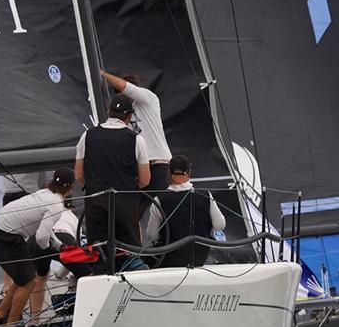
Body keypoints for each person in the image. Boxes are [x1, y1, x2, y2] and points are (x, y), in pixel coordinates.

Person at [0, 169, 75, 327]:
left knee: (22, 278)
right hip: (5, 236)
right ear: (71, 188)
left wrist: (58, 245)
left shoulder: (46, 193)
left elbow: (47, 231)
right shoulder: (56, 205)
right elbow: (41, 238)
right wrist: (48, 249)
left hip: (1, 230)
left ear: (53, 181)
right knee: (29, 281)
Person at [74, 94, 150, 270]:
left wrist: (95, 187)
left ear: (108, 112)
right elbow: (145, 180)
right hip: (124, 205)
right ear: (129, 116)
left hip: (95, 204)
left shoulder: (87, 136)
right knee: (129, 256)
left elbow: (78, 175)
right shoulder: (136, 140)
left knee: (99, 256)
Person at [100, 70, 171, 217]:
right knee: (130, 212)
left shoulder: (148, 98)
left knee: (131, 211)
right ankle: (130, 239)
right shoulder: (121, 115)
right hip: (139, 168)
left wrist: (101, 74)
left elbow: (123, 85)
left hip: (157, 166)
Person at [146, 155, 226, 267]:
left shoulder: (159, 199)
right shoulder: (205, 195)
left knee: (144, 258)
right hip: (200, 257)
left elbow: (152, 235)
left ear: (169, 173)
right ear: (189, 172)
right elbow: (220, 225)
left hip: (171, 259)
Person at [27, 200, 91, 326]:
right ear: (71, 206)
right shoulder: (72, 217)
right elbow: (70, 261)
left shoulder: (46, 211)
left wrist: (58, 276)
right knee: (88, 276)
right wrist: (60, 275)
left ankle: (33, 322)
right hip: (63, 237)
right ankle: (86, 317)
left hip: (37, 239)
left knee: (39, 278)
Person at [0, 171, 49, 304]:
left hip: (10, 196)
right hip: (29, 196)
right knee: (33, 244)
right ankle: (27, 282)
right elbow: (46, 182)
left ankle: (8, 285)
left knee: (9, 244)